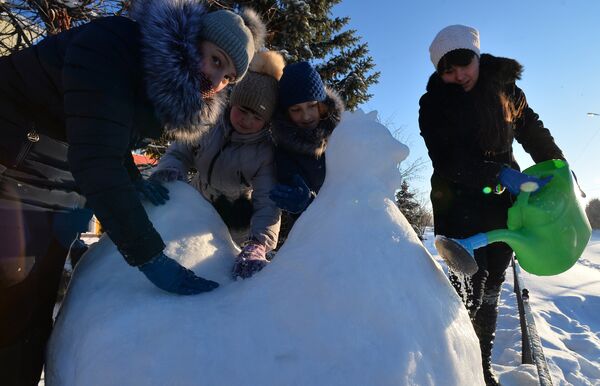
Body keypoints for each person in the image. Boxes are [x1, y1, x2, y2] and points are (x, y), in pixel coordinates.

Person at [0, 0, 265, 383]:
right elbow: (96, 158)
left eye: (227, 76)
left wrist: (133, 178)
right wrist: (151, 259)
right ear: (191, 40)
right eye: (215, 59)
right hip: (12, 162)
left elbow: (110, 133)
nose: (216, 79)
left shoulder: (156, 80)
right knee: (11, 304)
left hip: (56, 178)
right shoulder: (113, 44)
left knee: (35, 308)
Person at [418, 25, 565, 385]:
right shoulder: (434, 104)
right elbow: (445, 160)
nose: (457, 76)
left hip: (502, 205)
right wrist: (496, 173)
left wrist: (560, 167)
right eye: (447, 71)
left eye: (463, 64)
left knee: (494, 282)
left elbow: (533, 132)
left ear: (477, 56)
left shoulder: (507, 89)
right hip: (455, 200)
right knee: (469, 284)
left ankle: (479, 368)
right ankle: (453, 368)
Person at [151, 50, 284, 280]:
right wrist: (171, 168)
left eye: (257, 117)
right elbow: (180, 151)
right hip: (197, 207)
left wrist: (258, 243)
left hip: (236, 227)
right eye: (243, 111)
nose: (247, 121)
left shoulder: (264, 152)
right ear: (233, 102)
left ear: (266, 121)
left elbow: (268, 202)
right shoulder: (209, 122)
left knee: (219, 275)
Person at [269, 61, 344, 246]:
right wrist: (303, 202)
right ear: (286, 112)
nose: (306, 116)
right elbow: (289, 183)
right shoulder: (285, 149)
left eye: (311, 106)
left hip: (350, 228)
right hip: (313, 241)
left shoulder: (343, 135)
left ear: (322, 104)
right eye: (296, 110)